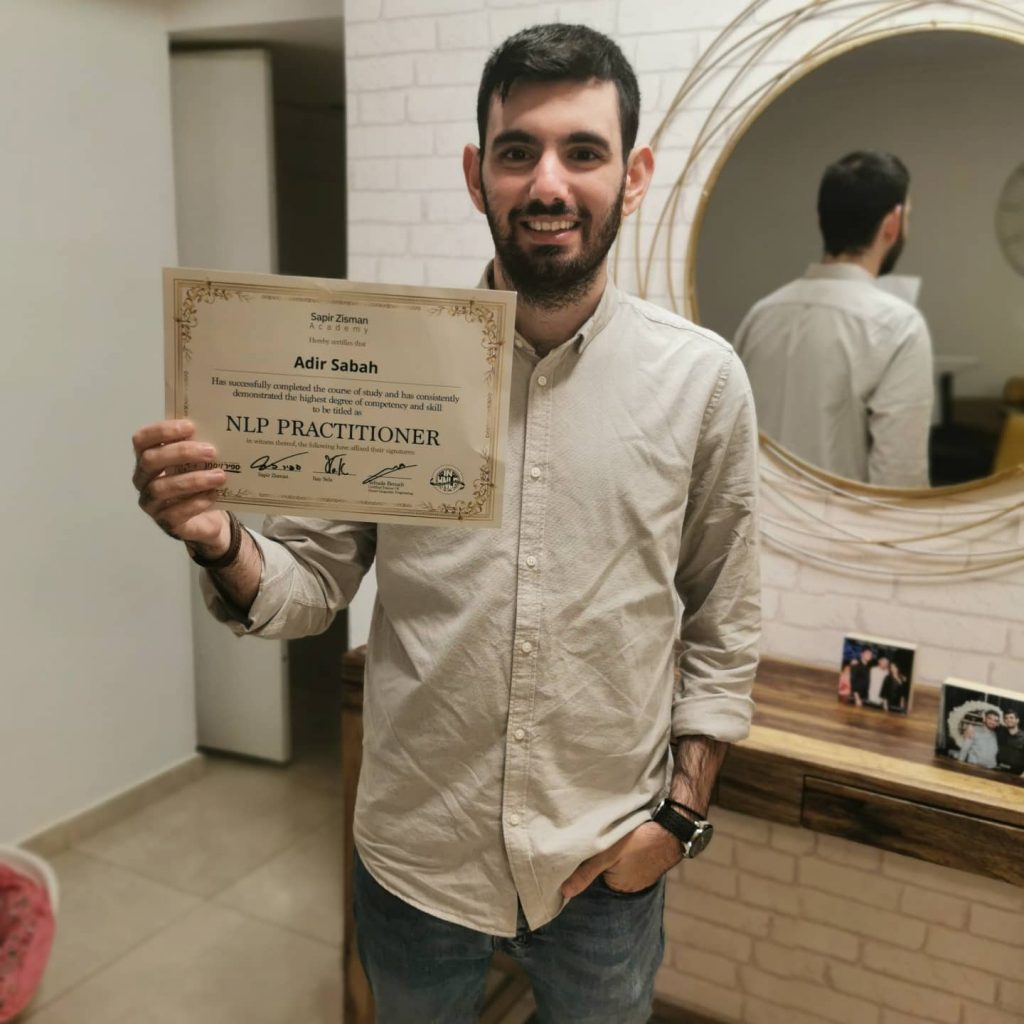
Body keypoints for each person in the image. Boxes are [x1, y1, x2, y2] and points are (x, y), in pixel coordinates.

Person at [131, 24, 761, 1024]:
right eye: (517, 151)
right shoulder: (389, 365)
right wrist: (219, 539)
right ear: (477, 175)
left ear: (633, 176)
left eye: (582, 151)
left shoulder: (702, 383)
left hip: (603, 865)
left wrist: (676, 821)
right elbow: (310, 587)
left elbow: (724, 624)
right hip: (417, 861)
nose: (547, 183)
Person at [734, 151, 934, 487]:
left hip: (758, 517)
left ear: (821, 219)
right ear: (893, 223)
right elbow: (899, 481)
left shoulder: (761, 314)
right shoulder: (900, 327)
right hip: (837, 522)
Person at [996, 708, 1024, 773]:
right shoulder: (1000, 732)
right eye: (1006, 718)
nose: (1009, 720)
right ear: (1004, 721)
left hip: (1017, 773)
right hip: (999, 770)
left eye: (1011, 718)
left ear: (1017, 720)